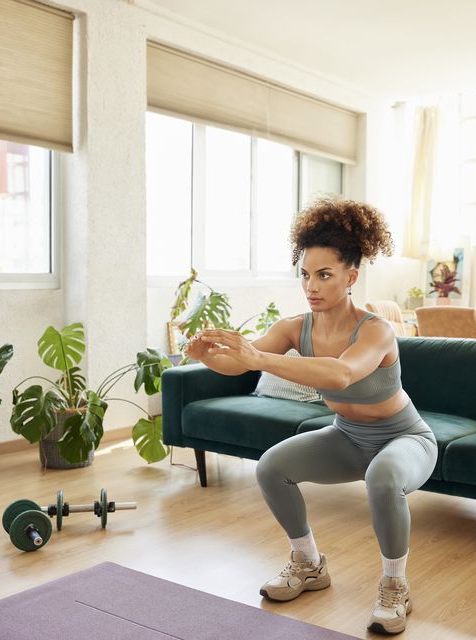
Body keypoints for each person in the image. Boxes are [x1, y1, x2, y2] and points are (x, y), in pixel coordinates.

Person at [185, 197, 438, 635]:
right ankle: (308, 564)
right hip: (346, 437)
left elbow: (340, 374)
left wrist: (256, 359)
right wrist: (206, 356)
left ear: (351, 276)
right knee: (272, 467)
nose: (311, 285)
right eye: (305, 274)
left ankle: (395, 587)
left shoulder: (376, 329)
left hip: (404, 439)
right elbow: (242, 361)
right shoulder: (294, 327)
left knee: (382, 479)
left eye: (324, 275)